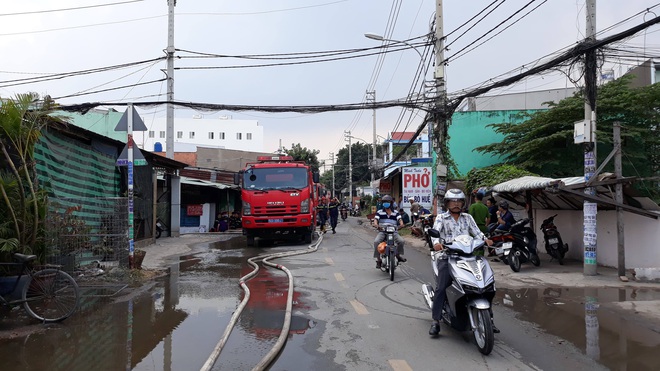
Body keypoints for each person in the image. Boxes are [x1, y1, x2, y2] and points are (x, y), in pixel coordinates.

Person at [428, 189, 497, 336]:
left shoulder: (468, 218)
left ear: (463, 203)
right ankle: (436, 320)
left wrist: (486, 239)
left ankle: (489, 318)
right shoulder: (441, 218)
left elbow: (477, 232)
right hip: (447, 256)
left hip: (469, 256)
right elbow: (436, 232)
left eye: (458, 201)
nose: (456, 204)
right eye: (452, 201)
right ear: (447, 203)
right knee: (441, 287)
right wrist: (436, 243)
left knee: (485, 284)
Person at [372, 195, 406, 269]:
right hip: (383, 231)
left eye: (387, 202)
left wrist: (401, 224)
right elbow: (376, 220)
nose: (386, 203)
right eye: (384, 202)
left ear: (391, 203)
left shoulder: (396, 212)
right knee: (376, 242)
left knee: (401, 241)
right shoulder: (380, 212)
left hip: (393, 231)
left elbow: (400, 220)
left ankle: (398, 255)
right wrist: (376, 225)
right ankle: (378, 260)